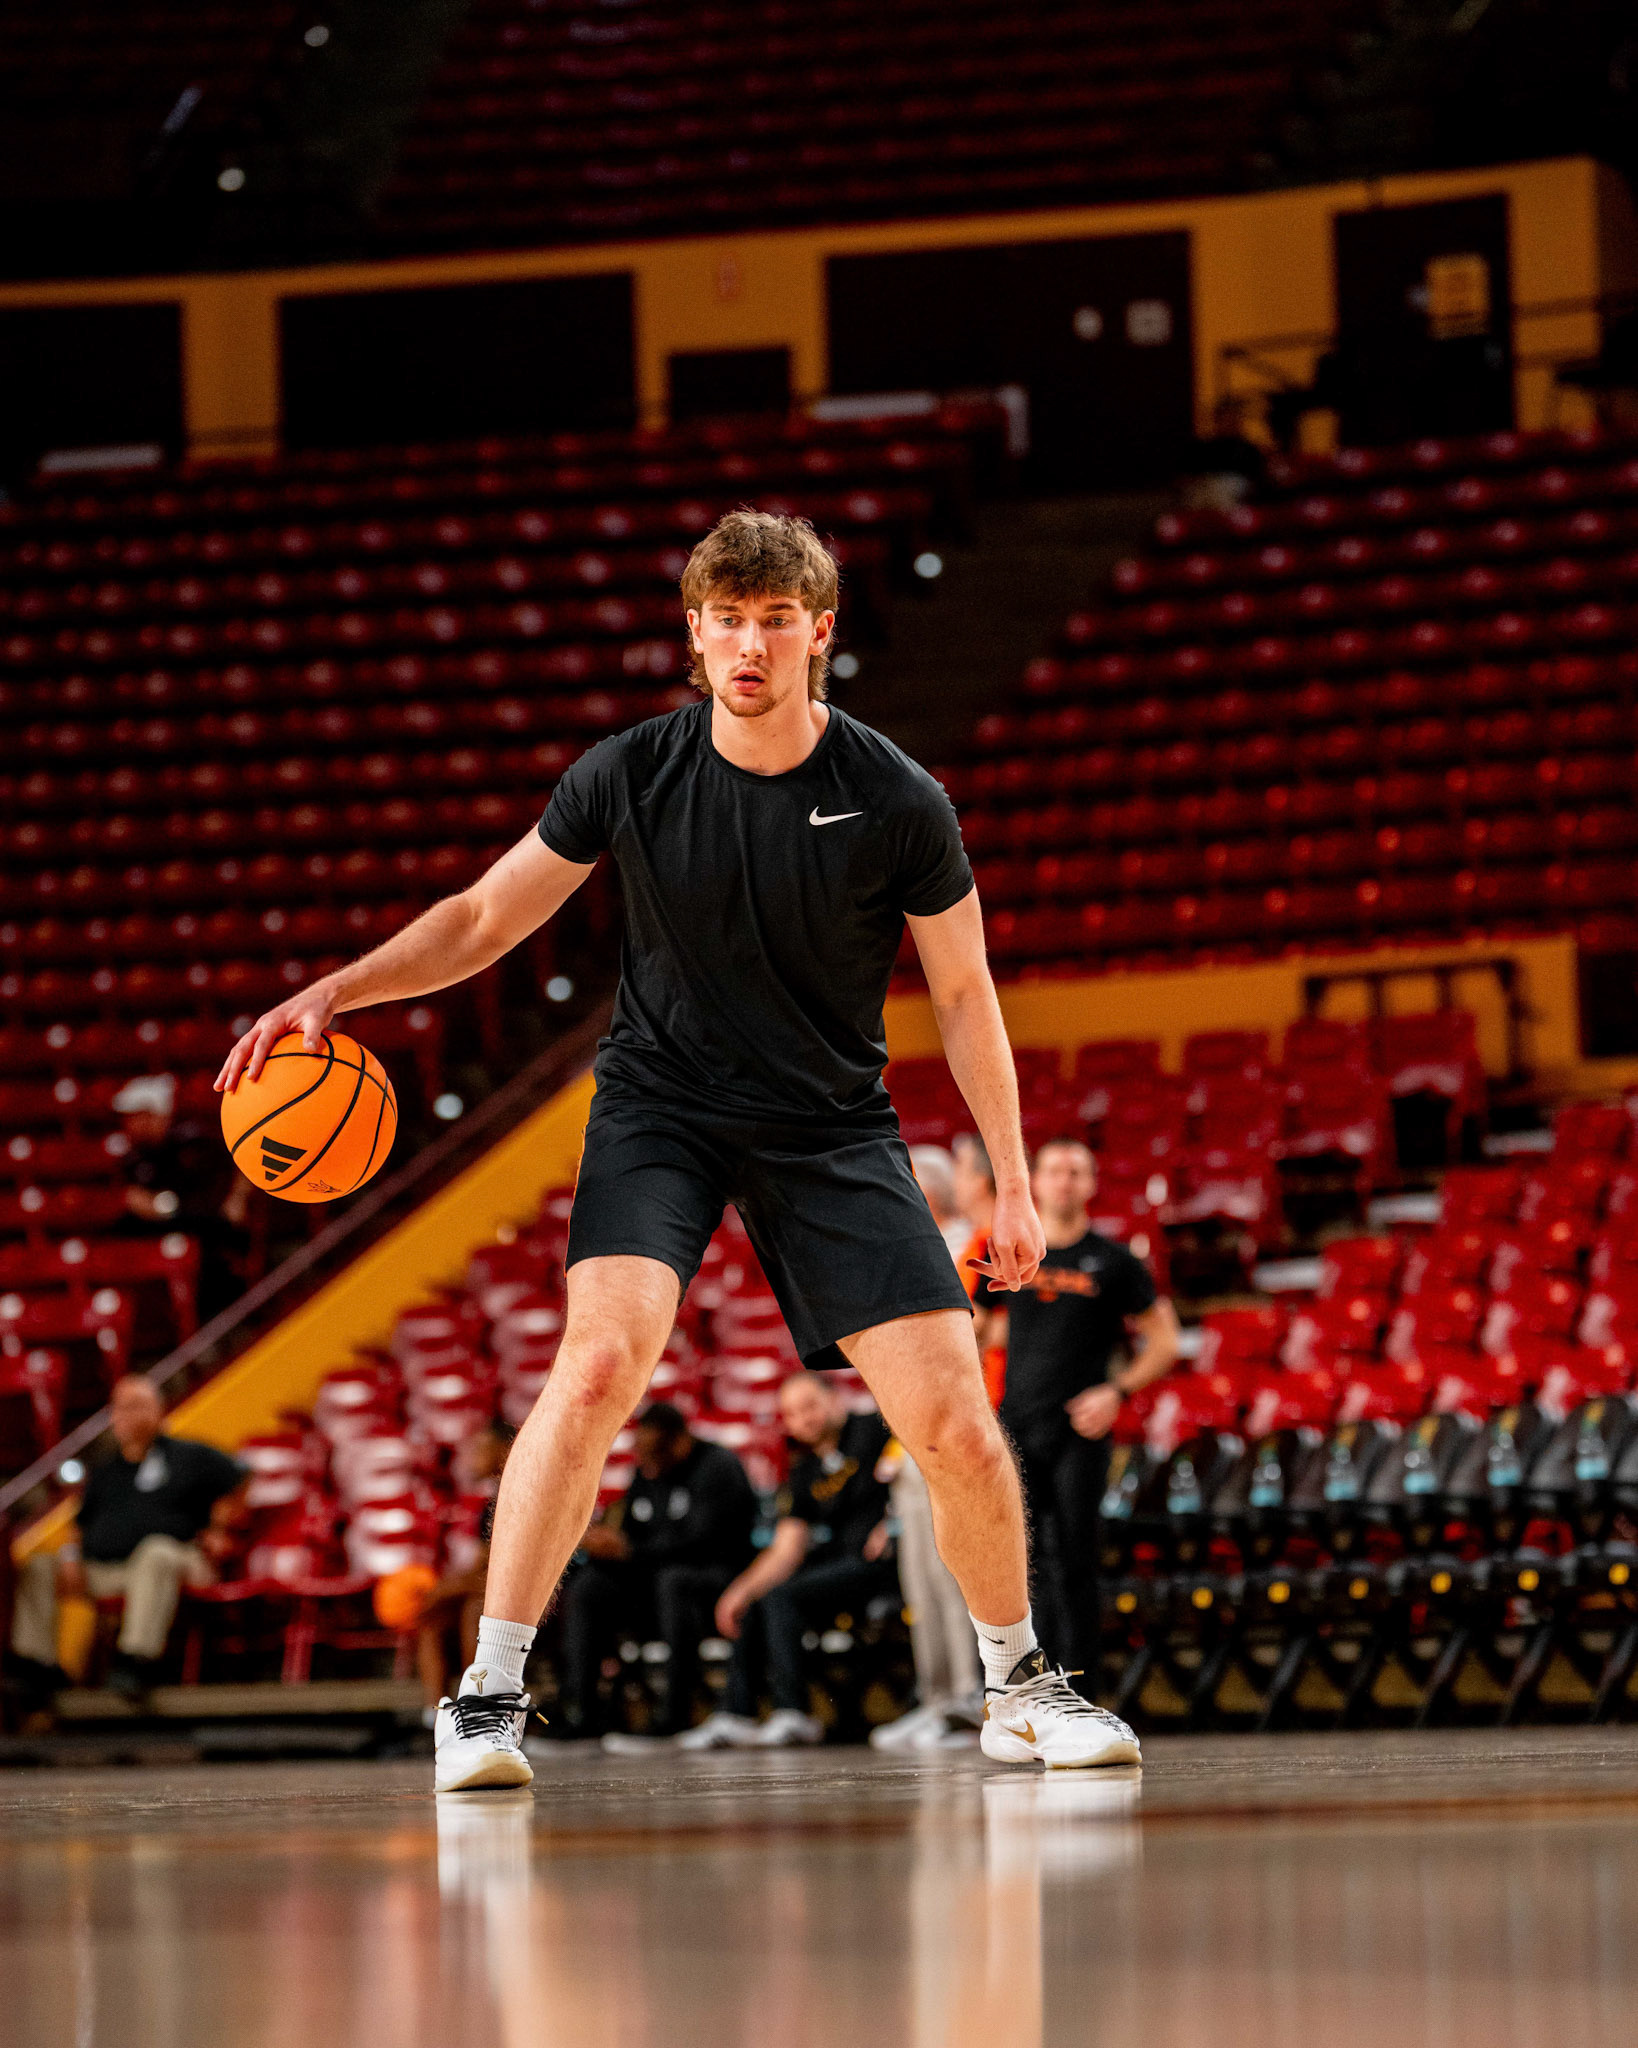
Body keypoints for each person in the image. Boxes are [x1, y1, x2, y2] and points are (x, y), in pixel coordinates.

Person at [218, 508, 1143, 1791]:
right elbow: (487, 915)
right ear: (694, 635)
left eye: (774, 618)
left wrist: (1013, 1182)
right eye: (725, 617)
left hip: (829, 1122)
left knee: (956, 1421)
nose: (747, 641)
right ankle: (485, 1697)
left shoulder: (896, 797)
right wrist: (343, 988)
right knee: (596, 1365)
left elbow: (968, 994)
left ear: (818, 632)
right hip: (661, 1104)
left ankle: (1018, 1680)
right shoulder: (631, 771)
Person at [984, 1140, 1181, 1697]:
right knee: (1026, 1568)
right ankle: (1033, 1691)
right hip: (1017, 1427)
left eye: (1076, 1172)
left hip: (1080, 1431)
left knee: (1075, 1559)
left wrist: (1115, 1391)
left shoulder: (1115, 1260)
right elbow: (977, 1323)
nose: (1064, 1181)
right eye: (1053, 1171)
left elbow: (1165, 1341)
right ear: (1035, 1182)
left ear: (1091, 1184)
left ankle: (1085, 1693)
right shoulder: (1013, 1254)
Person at [676, 1372, 893, 1749]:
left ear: (836, 1400)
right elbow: (787, 1547)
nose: (804, 1419)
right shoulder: (803, 1469)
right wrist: (740, 1592)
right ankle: (737, 1713)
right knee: (761, 1598)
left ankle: (794, 1712)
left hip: (885, 1562)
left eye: (810, 1405)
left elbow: (924, 1465)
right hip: (842, 1568)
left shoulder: (873, 1429)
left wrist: (896, 1517)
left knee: (782, 1596)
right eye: (792, 1413)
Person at [9, 1375, 247, 1700]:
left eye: (135, 1407)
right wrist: (69, 1558)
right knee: (39, 1567)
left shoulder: (189, 1456)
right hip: (107, 1569)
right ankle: (38, 1667)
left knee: (156, 1551)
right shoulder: (106, 1471)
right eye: (119, 1408)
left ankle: (135, 1660)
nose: (124, 1416)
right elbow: (79, 1525)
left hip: (176, 1561)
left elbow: (241, 1476)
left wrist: (221, 1529)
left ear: (157, 1411)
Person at [557, 1400, 757, 1742]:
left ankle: (675, 1714)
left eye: (654, 1454)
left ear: (679, 1441)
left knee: (673, 1582)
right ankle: (583, 1712)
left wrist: (629, 1549)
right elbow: (634, 1536)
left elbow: (704, 1543)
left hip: (720, 1583)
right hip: (657, 1583)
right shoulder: (649, 1470)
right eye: (641, 1456)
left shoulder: (717, 1467)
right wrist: (609, 1545)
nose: (646, 1466)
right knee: (589, 1585)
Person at [872, 1142, 983, 1750]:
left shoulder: (968, 1244)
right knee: (919, 1580)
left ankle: (969, 1696)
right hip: (910, 1437)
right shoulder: (910, 1249)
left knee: (950, 1573)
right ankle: (937, 1697)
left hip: (953, 1429)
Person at [113, 1072, 251, 1319]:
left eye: (137, 1115)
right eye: (127, 1117)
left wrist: (161, 1207)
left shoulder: (196, 1145)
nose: (130, 1124)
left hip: (210, 1233)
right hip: (167, 1234)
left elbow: (215, 1201)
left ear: (158, 1114)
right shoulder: (134, 1159)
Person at [414, 1421, 515, 1723]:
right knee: (434, 1619)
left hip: (542, 1597)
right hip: (494, 1588)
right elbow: (485, 1564)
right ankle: (438, 1715)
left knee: (474, 1609)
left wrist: (446, 1589)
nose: (472, 1455)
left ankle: (480, 1708)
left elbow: (505, 1570)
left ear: (507, 1450)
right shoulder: (491, 1502)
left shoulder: (522, 1495)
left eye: (482, 1448)